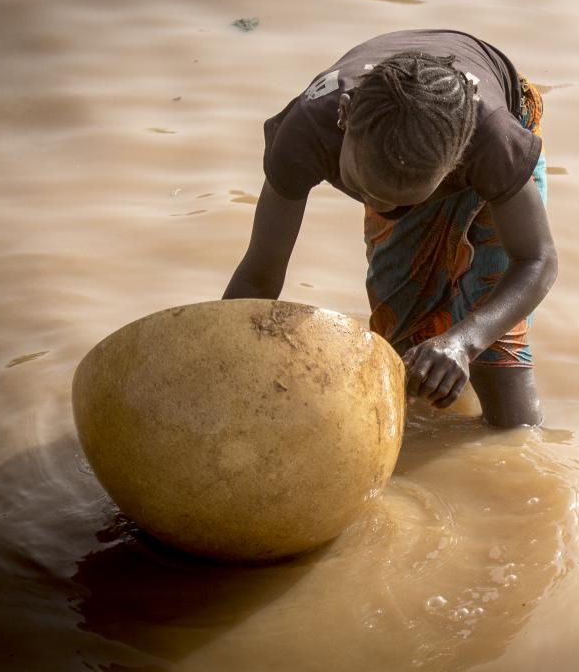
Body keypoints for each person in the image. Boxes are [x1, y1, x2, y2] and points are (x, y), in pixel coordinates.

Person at [223, 29, 556, 428]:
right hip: (414, 153)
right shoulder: (306, 131)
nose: (379, 208)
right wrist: (223, 370)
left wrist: (463, 342)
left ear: (456, 163)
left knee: (494, 352)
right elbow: (260, 277)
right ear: (344, 116)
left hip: (485, 153)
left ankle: (519, 462)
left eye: (402, 201)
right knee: (404, 348)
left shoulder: (494, 141)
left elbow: (537, 260)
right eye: (362, 188)